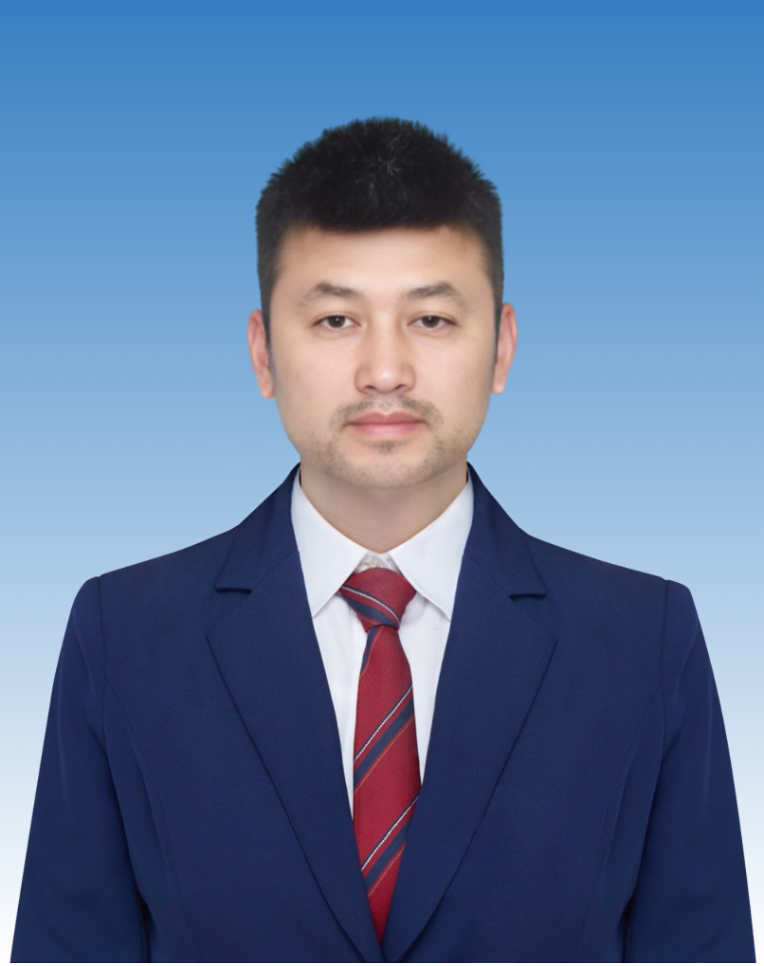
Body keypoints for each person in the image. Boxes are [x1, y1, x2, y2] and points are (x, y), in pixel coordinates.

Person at [11, 117, 755, 964]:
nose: (386, 372)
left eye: (431, 319)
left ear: (502, 346)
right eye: (336, 320)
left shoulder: (643, 640)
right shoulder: (126, 635)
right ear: (262, 353)